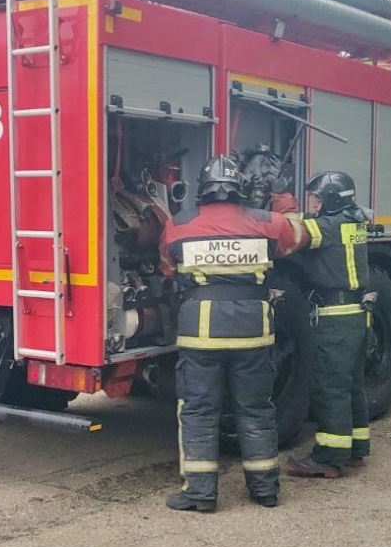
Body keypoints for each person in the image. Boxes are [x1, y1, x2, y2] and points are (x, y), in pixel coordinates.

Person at [159, 155, 306, 512]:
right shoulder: (266, 222)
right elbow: (297, 236)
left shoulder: (178, 224)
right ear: (239, 189)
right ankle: (265, 490)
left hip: (201, 335)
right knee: (256, 410)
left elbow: (168, 267)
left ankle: (200, 494)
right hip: (253, 332)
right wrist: (282, 196)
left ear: (202, 191)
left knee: (199, 411)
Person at [278, 171, 374, 479]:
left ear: (331, 201)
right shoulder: (353, 221)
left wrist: (283, 203)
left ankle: (329, 458)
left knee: (329, 388)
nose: (313, 205)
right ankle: (357, 450)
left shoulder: (327, 227)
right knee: (351, 385)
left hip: (335, 318)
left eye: (316, 199)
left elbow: (295, 234)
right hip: (357, 316)